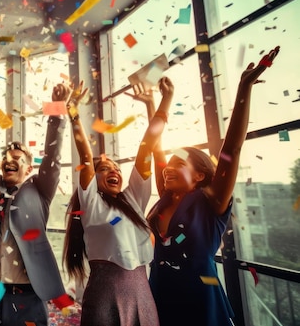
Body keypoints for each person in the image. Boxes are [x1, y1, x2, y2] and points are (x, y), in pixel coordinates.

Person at [146, 47, 280, 326]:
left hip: (202, 306)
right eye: (168, 165)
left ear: (199, 176)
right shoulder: (165, 198)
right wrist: (159, 102)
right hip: (160, 299)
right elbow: (155, 148)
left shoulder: (210, 203)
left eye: (179, 164)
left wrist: (245, 87)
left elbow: (233, 146)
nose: (168, 168)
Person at [0, 83, 74, 326]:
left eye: (17, 158)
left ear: (29, 168)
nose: (10, 161)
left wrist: (56, 109)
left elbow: (53, 157)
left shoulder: (41, 190)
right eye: (6, 158)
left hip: (29, 295)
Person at [62, 77, 173, 326]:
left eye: (116, 168)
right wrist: (73, 113)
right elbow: (86, 156)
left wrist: (166, 100)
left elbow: (147, 147)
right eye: (104, 169)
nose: (114, 171)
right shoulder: (91, 204)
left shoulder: (133, 199)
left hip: (142, 292)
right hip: (105, 294)